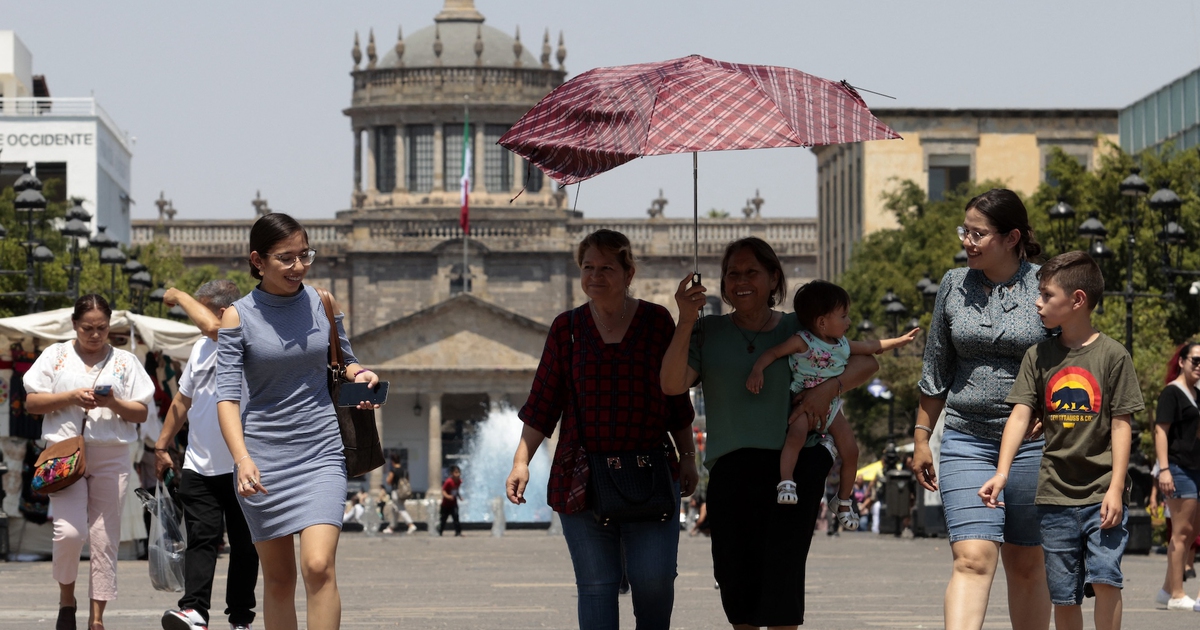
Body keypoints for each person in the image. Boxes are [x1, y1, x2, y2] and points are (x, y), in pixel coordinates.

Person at [660, 237, 877, 629]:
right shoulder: (707, 331)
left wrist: (830, 387)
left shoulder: (801, 327)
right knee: (737, 591)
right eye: (732, 274)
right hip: (729, 471)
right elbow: (673, 383)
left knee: (782, 587)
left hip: (792, 469)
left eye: (751, 272)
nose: (741, 281)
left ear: (774, 277)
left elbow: (867, 363)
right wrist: (686, 320)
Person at [506, 229, 698, 630]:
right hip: (582, 478)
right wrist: (521, 460)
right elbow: (543, 402)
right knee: (596, 586)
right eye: (587, 267)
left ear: (629, 273)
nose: (595, 275)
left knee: (655, 581)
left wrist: (688, 456)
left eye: (606, 267)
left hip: (650, 472)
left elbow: (675, 398)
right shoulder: (567, 328)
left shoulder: (656, 321)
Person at [215, 212, 379, 630]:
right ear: (258, 260)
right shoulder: (238, 316)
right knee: (280, 579)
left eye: (304, 255)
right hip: (264, 459)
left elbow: (348, 362)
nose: (299, 267)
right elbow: (228, 397)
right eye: (285, 258)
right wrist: (242, 459)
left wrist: (363, 377)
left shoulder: (322, 302)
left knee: (319, 565)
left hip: (321, 451)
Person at [910, 189, 1052, 630]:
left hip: (1033, 443)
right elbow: (936, 366)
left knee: (1027, 562)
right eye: (964, 231)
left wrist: (1054, 407)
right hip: (966, 438)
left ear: (1012, 238)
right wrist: (920, 437)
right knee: (972, 556)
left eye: (977, 233)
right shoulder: (954, 284)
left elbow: (1071, 357)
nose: (967, 241)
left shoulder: (1047, 283)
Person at [979, 251, 1143, 630]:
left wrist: (1116, 488)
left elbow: (1122, 426)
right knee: (1063, 593)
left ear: (1077, 300)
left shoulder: (1113, 355)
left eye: (1046, 295)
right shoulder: (1038, 356)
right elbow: (1020, 415)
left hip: (1102, 493)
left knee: (1105, 578)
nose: (1037, 302)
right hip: (1054, 496)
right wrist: (1002, 473)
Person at [25, 294, 154, 630]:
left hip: (112, 454)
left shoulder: (125, 361)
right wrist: (70, 396)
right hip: (65, 455)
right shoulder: (55, 355)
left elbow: (141, 412)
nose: (95, 334)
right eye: (87, 328)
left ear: (110, 326)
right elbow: (32, 402)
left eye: (101, 328)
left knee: (104, 538)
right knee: (69, 533)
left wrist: (113, 402)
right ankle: (66, 601)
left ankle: (97, 619)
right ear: (74, 325)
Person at [746, 280, 917, 520]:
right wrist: (757, 370)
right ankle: (786, 481)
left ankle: (843, 500)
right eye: (844, 316)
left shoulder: (843, 345)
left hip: (833, 406)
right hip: (803, 405)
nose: (849, 322)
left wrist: (899, 341)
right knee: (795, 437)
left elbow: (872, 347)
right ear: (822, 322)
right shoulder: (802, 341)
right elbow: (773, 353)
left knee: (851, 451)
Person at [154, 281, 259, 630]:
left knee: (245, 545)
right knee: (202, 538)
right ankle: (195, 610)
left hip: (242, 463)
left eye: (198, 309)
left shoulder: (243, 335)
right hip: (199, 464)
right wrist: (162, 446)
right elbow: (182, 402)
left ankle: (240, 618)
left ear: (221, 310)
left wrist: (178, 295)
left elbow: (214, 328)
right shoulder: (200, 348)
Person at [1152, 340, 1200, 610]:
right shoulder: (1172, 393)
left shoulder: (1196, 393)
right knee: (1181, 533)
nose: (1199, 366)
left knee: (1192, 531)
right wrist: (1165, 469)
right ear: (1181, 361)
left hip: (1196, 468)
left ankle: (1167, 589)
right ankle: (1177, 595)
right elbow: (1161, 431)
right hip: (1179, 468)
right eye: (1195, 360)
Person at [437, 466, 463, 537]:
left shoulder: (459, 481)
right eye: (456, 473)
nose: (457, 474)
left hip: (453, 503)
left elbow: (456, 490)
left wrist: (459, 496)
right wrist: (448, 496)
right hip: (445, 504)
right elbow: (443, 491)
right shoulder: (448, 481)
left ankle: (458, 532)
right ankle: (439, 532)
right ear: (451, 473)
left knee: (456, 517)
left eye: (459, 473)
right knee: (443, 519)